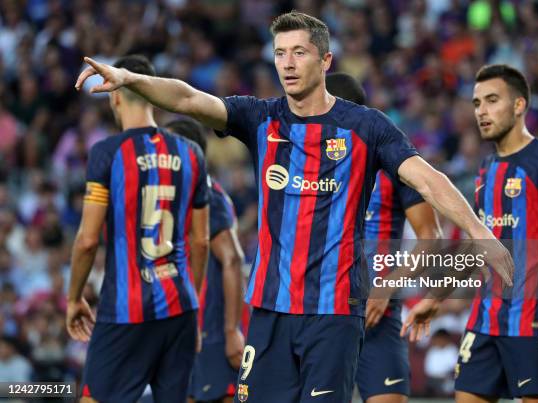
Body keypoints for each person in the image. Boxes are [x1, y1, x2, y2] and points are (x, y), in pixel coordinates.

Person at [74, 12, 513, 403]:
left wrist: (480, 234)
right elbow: (189, 99)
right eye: (280, 53)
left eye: (298, 52)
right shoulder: (259, 117)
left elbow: (429, 181)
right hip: (268, 311)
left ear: (325, 61)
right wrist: (133, 81)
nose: (286, 63)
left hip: (333, 314)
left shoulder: (366, 127)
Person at [404, 64, 538, 403]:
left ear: (519, 106)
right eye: (476, 104)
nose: (481, 112)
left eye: (491, 100)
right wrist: (434, 299)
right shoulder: (487, 170)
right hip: (485, 321)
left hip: (533, 322)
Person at [66, 55, 211, 403]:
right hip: (181, 306)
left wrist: (73, 298)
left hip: (126, 309)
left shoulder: (107, 153)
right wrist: (191, 301)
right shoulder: (192, 153)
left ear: (115, 95)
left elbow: (87, 241)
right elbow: (201, 241)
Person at [326, 72, 442, 403]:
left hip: (380, 313)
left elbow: (430, 236)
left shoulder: (395, 166)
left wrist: (387, 285)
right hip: (323, 312)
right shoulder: (309, 167)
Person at [166, 118, 247, 403]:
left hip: (212, 332)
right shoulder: (182, 198)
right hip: (188, 332)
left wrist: (231, 330)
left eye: (168, 149)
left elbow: (233, 259)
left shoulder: (209, 197)